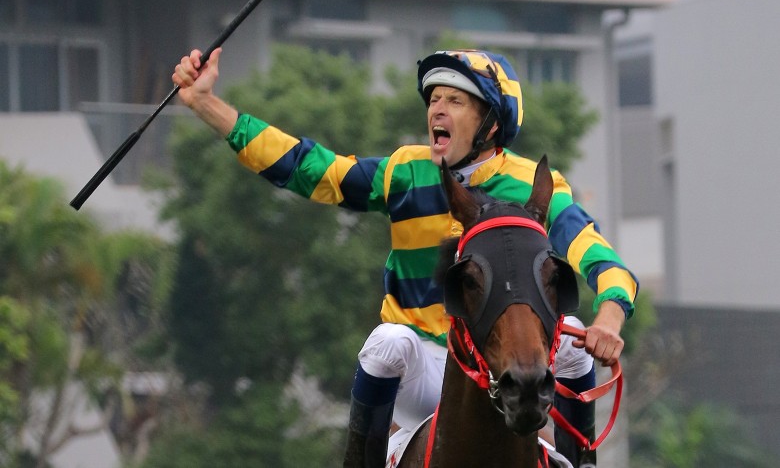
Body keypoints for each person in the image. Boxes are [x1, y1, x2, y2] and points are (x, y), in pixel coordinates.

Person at [172, 47, 637, 468]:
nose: (437, 108)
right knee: (387, 341)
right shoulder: (404, 170)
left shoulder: (539, 187)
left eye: (455, 101)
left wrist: (610, 319)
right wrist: (206, 104)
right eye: (434, 98)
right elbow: (307, 168)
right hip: (426, 366)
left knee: (575, 337)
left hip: (504, 358)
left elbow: (601, 258)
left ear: (491, 123)